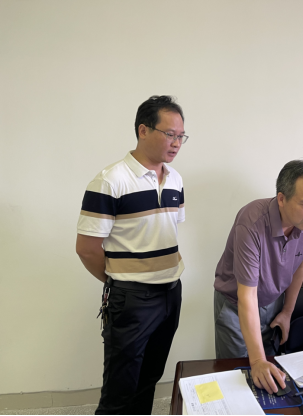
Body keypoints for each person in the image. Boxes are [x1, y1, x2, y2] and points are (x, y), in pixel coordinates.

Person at [76, 96, 188, 415]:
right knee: (119, 392)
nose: (177, 143)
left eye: (181, 136)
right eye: (170, 134)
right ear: (143, 130)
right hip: (132, 299)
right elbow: (86, 249)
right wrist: (123, 280)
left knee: (149, 379)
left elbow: (167, 232)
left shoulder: (176, 180)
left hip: (171, 293)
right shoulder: (110, 180)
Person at [213, 160, 303, 394]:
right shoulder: (252, 222)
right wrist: (256, 361)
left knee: (270, 377)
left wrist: (287, 311)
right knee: (236, 377)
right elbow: (247, 296)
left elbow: (300, 262)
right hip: (236, 306)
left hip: (273, 303)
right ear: (282, 198)